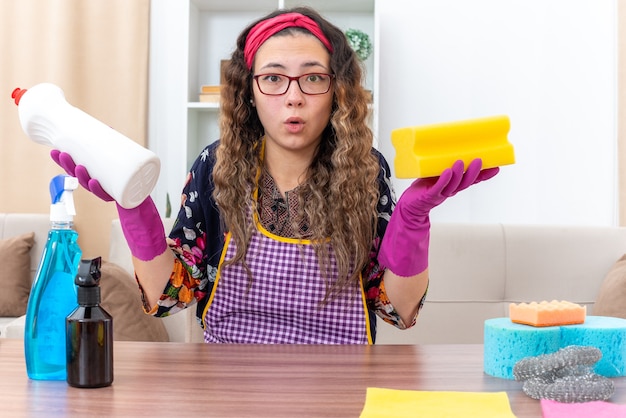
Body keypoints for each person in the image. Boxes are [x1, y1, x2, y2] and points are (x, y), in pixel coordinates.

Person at [52, 6, 499, 344]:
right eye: (273, 78)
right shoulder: (215, 166)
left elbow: (397, 309)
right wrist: (134, 207)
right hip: (227, 387)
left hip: (342, 387)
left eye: (313, 78)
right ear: (249, 91)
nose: (293, 97)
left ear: (337, 92)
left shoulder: (367, 170)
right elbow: (171, 297)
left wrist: (414, 218)